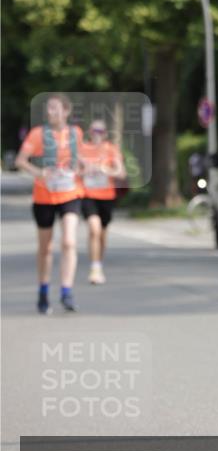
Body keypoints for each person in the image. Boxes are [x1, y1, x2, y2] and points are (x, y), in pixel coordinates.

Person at [15, 93, 84, 314]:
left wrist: (81, 169)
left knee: (69, 242)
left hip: (70, 194)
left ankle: (67, 291)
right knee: (46, 248)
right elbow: (20, 161)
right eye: (48, 108)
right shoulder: (37, 135)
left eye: (55, 108)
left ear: (66, 111)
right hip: (44, 196)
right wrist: (40, 172)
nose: (50, 112)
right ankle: (43, 291)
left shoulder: (76, 134)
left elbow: (80, 161)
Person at [80, 119, 125, 284]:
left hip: (106, 196)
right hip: (87, 194)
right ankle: (95, 268)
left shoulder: (111, 150)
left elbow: (121, 173)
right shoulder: (83, 149)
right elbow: (74, 171)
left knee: (102, 234)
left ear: (105, 134)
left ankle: (99, 262)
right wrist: (85, 170)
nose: (96, 134)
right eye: (94, 131)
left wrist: (105, 169)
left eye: (100, 131)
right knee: (94, 229)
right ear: (89, 133)